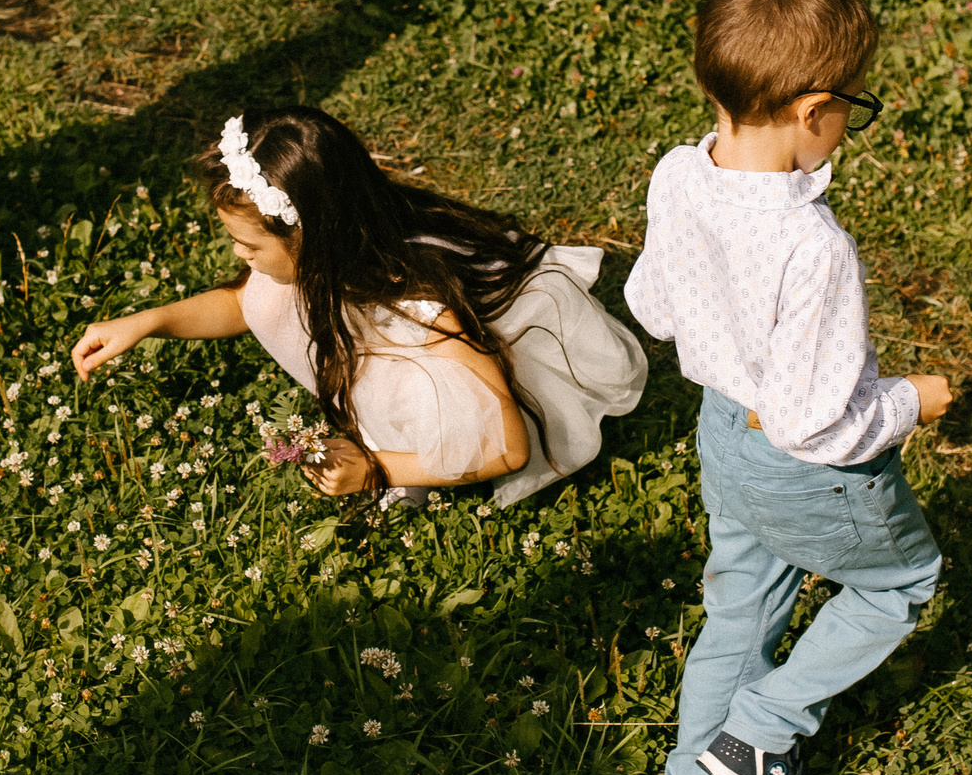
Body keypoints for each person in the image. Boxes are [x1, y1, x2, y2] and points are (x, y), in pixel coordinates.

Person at [626, 0, 955, 775]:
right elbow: (815, 423)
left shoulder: (677, 174)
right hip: (799, 459)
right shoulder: (813, 248)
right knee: (901, 584)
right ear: (815, 110)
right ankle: (763, 730)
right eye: (854, 103)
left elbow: (651, 307)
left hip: (724, 435)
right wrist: (913, 399)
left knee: (742, 603)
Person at [70, 108, 647, 507]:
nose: (238, 256)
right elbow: (244, 305)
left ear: (311, 237)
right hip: (378, 330)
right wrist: (149, 322)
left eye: (248, 245)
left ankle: (415, 458)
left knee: (423, 412)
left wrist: (378, 468)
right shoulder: (308, 264)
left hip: (470, 392)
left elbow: (509, 446)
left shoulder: (423, 306)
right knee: (279, 304)